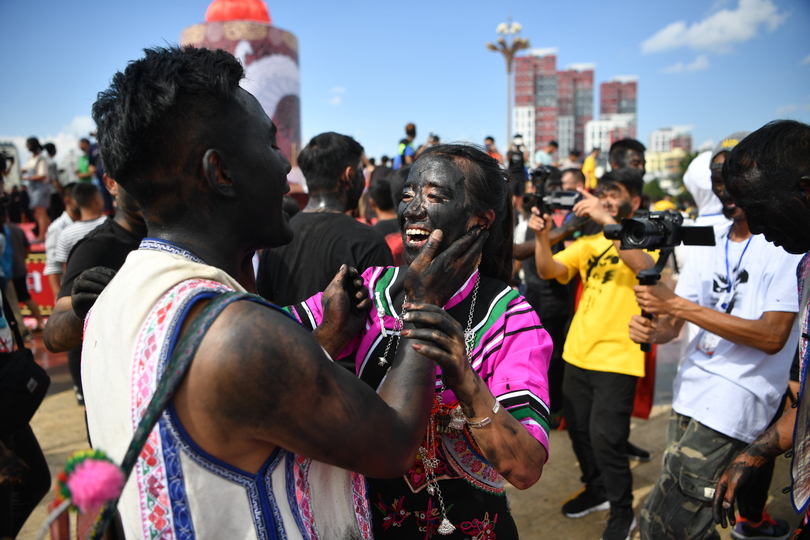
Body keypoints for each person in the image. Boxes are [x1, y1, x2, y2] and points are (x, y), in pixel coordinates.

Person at [82, 45, 483, 539]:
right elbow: (398, 442)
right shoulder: (239, 336)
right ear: (220, 172)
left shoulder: (117, 301)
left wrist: (326, 340)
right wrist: (424, 301)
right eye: (271, 147)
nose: (285, 169)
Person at [285, 144, 551, 539]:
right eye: (408, 194)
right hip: (363, 525)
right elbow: (268, 375)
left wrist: (465, 379)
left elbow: (525, 469)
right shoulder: (369, 289)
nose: (412, 209)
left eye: (435, 196)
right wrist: (335, 332)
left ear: (481, 221)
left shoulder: (509, 316)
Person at [630, 131, 801, 540]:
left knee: (674, 521)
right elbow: (676, 322)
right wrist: (656, 328)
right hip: (691, 388)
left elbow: (772, 336)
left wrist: (676, 307)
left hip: (736, 398)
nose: (724, 189)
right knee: (670, 517)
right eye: (716, 178)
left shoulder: (786, 245)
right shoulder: (709, 238)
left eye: (732, 179)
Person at [528, 167, 656, 540]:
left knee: (608, 440)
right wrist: (542, 236)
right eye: (604, 192)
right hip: (577, 355)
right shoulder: (590, 242)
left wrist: (606, 219)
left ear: (635, 201)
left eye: (616, 193)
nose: (607, 198)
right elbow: (548, 269)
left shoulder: (647, 238)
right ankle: (597, 489)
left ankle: (621, 511)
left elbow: (645, 269)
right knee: (580, 433)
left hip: (618, 359)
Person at [712, 120, 810, 540]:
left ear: (806, 190)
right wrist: (756, 452)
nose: (757, 226)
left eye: (759, 207)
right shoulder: (806, 267)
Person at [43, 175, 148, 407]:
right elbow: (53, 336)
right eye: (139, 170)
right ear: (111, 183)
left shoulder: (188, 234)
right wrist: (81, 310)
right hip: (121, 404)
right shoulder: (95, 248)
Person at [256, 132, 393, 306]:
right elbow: (385, 319)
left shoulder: (276, 238)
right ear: (349, 175)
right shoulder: (368, 242)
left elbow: (267, 306)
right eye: (360, 171)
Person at [53, 182, 106, 272]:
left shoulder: (66, 234)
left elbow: (66, 271)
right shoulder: (112, 225)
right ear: (97, 199)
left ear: (76, 202)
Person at [43, 183, 79, 302]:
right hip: (70, 292)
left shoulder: (89, 222)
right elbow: (53, 265)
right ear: (68, 200)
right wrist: (58, 297)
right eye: (79, 198)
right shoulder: (57, 228)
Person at [21, 137, 52, 241]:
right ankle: (48, 234)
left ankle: (41, 237)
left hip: (41, 189)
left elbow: (42, 175)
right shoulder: (31, 159)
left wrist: (27, 177)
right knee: (39, 214)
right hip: (33, 190)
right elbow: (25, 169)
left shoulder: (41, 159)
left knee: (41, 213)